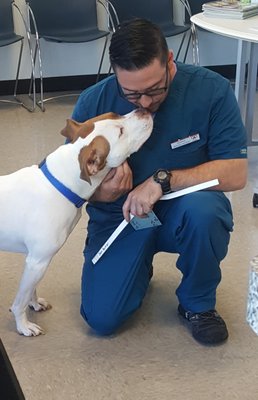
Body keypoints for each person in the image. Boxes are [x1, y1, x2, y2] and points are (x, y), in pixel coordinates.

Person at [72, 18, 247, 345]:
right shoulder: (93, 103)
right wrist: (101, 193)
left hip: (183, 209)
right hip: (121, 217)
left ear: (170, 62)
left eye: (155, 90)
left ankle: (197, 303)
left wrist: (162, 180)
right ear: (115, 73)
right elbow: (70, 185)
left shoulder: (210, 90)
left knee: (205, 211)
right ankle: (137, 267)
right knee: (102, 319)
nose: (146, 103)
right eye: (132, 95)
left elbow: (236, 173)